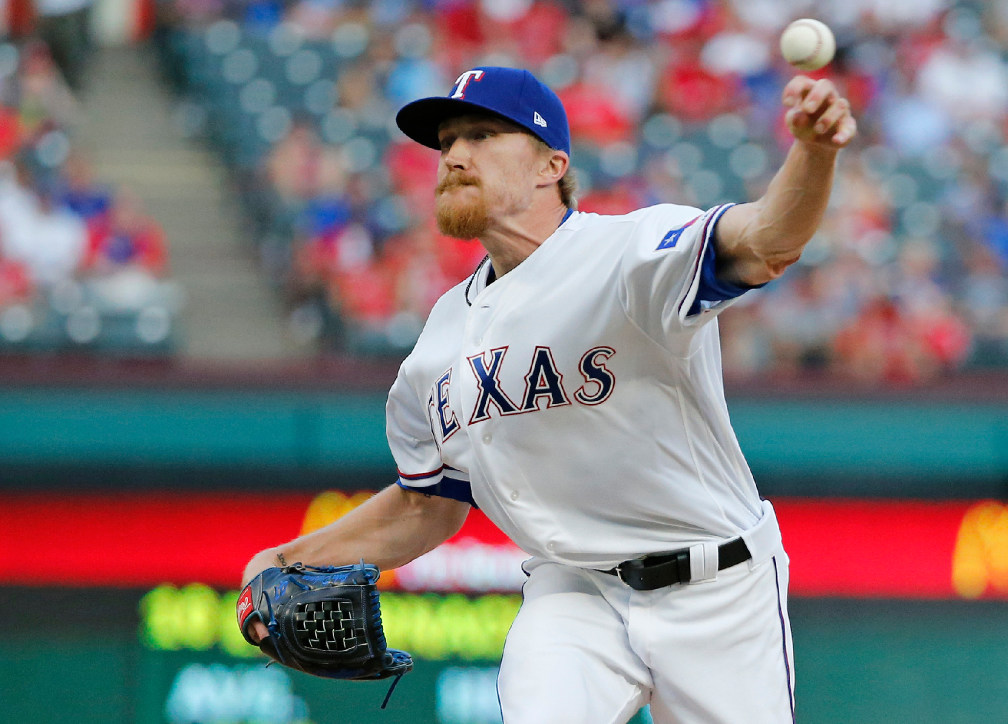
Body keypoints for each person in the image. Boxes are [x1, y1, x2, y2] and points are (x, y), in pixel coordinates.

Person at [242, 65, 856, 723]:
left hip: (717, 587)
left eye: (481, 135)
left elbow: (768, 240)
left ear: (550, 165)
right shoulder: (437, 347)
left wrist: (814, 154)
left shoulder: (628, 254)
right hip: (574, 593)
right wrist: (290, 557)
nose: (453, 155)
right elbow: (429, 506)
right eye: (447, 142)